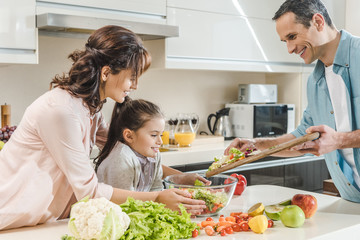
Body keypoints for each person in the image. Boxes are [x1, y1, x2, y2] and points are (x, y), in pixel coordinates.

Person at [0, 25, 206, 231]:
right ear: (106, 72)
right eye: (132, 76)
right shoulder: (61, 111)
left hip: (38, 221)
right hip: (9, 216)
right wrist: (158, 198)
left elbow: (126, 150)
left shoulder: (90, 108)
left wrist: (176, 178)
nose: (135, 85)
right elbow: (89, 192)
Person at [226, 0, 360, 203]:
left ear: (317, 21)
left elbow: (334, 139)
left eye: (292, 37)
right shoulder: (315, 82)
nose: (289, 49)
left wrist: (339, 140)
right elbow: (302, 137)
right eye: (285, 41)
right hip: (352, 201)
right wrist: (256, 145)